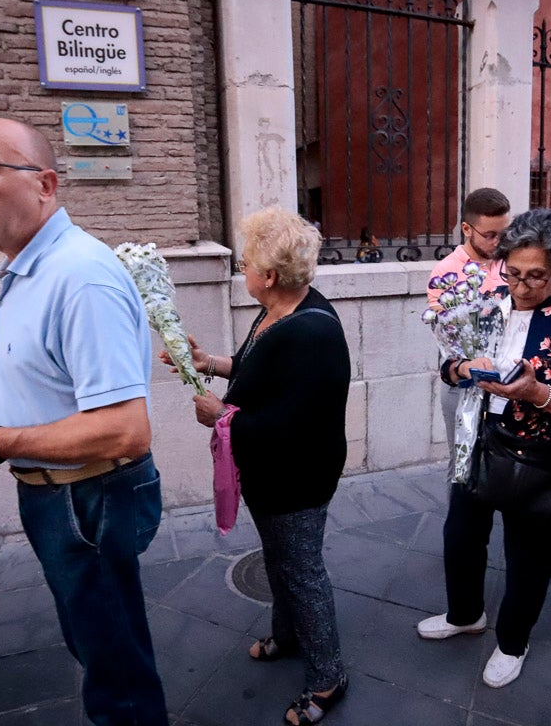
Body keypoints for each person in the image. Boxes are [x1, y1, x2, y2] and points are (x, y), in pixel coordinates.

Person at [0, 118, 168, 725]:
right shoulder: (28, 264)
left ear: (46, 184)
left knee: (116, 675)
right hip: (60, 496)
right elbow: (54, 379)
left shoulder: (80, 276)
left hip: (88, 499)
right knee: (99, 647)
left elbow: (125, 429)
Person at [417, 208, 551, 689]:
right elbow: (448, 366)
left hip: (539, 452)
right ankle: (465, 614)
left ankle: (512, 642)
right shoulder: (489, 302)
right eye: (514, 273)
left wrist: (534, 393)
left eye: (536, 277)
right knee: (460, 535)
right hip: (478, 441)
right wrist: (464, 370)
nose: (522, 287)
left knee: (527, 553)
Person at [177, 208, 350, 725]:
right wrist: (209, 363)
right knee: (279, 561)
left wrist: (221, 416)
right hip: (271, 473)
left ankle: (328, 678)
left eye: (247, 263)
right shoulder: (279, 311)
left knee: (302, 572)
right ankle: (289, 636)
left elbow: (296, 426)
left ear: (269, 276)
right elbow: (260, 368)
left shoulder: (311, 331)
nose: (243, 270)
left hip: (298, 476)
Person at [426, 190, 551, 579]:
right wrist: (468, 366)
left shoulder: (521, 262)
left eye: (504, 234)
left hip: (529, 408)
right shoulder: (448, 273)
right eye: (491, 235)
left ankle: (535, 555)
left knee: (527, 511)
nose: (499, 243)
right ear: (467, 229)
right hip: (468, 392)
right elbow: (450, 345)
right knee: (466, 472)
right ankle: (465, 550)